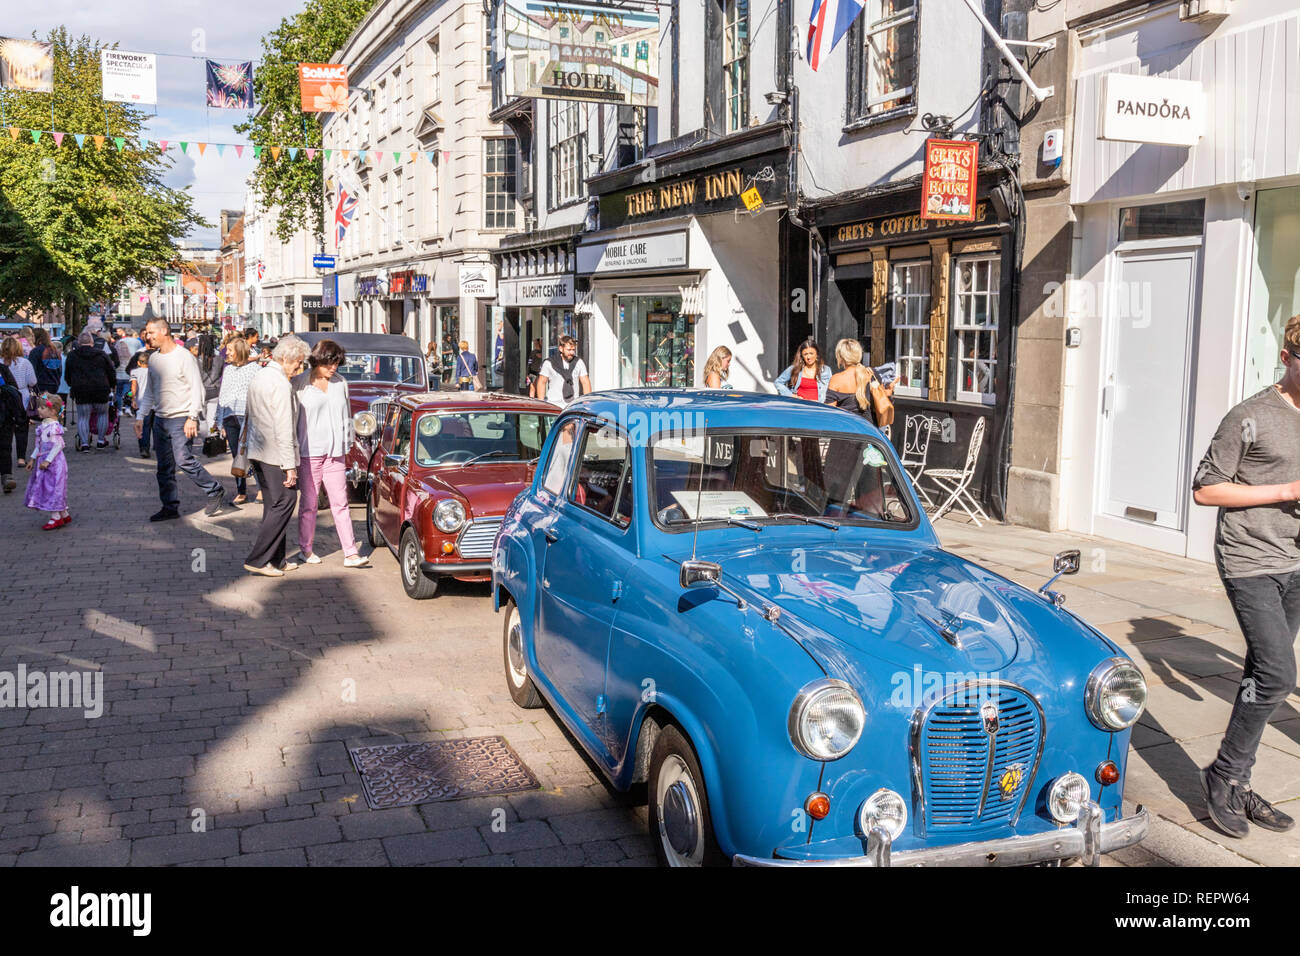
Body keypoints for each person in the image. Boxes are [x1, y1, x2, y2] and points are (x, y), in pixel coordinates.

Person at [1191, 313, 1300, 839]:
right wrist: (1284, 491)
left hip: (1296, 561)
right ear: (1286, 358)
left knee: (1262, 674)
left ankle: (1238, 781)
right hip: (1250, 559)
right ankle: (1224, 776)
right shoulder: (1250, 415)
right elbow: (1206, 489)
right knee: (1279, 674)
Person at [135, 318, 227, 521]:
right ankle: (169, 506)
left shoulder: (184, 357)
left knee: (183, 459)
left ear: (165, 331)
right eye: (147, 333)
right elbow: (150, 390)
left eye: (151, 332)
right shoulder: (154, 359)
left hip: (181, 418)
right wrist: (141, 416)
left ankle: (214, 490)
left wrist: (192, 417)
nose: (147, 336)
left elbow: (197, 388)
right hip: (160, 418)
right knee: (163, 466)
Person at [294, 339, 369, 568]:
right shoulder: (299, 383)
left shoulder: (340, 383)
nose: (333, 368)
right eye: (329, 364)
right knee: (309, 504)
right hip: (309, 451)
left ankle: (350, 553)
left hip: (336, 451)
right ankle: (305, 549)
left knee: (341, 503)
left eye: (336, 364)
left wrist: (348, 444)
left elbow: (346, 413)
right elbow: (294, 418)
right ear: (317, 360)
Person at [243, 335, 309, 576]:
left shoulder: (260, 376)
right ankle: (258, 559)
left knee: (273, 505)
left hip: (259, 449)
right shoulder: (280, 384)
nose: (300, 368)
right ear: (286, 358)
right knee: (286, 501)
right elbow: (283, 427)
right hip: (274, 453)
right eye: (298, 363)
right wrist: (290, 466)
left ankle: (276, 559)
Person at [215, 336, 260, 503]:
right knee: (236, 455)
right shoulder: (228, 370)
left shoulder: (254, 369)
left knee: (252, 453)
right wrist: (218, 419)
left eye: (230, 350)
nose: (227, 353)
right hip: (229, 415)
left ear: (239, 351)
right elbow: (223, 394)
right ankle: (241, 491)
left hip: (247, 416)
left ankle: (261, 488)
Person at [825, 338, 894, 427]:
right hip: (869, 431)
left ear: (840, 357)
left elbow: (830, 412)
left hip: (844, 430)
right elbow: (879, 401)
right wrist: (887, 393)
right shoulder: (872, 374)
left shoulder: (836, 379)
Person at [24, 393, 69, 530]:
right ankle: (64, 513)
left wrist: (48, 461)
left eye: (42, 408)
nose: (38, 410)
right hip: (44, 460)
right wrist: (32, 458)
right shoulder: (44, 426)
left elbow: (59, 445)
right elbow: (39, 445)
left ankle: (55, 516)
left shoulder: (53, 427)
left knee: (53, 488)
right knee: (48, 487)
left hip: (54, 464)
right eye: (39, 407)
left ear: (52, 411)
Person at [65, 332, 116, 451]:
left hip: (81, 389)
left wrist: (71, 384)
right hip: (101, 388)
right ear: (92, 342)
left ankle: (84, 444)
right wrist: (112, 385)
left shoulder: (72, 355)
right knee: (103, 414)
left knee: (83, 417)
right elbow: (111, 371)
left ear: (78, 343)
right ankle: (100, 441)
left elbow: (67, 373)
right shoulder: (102, 354)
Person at [0, 337, 37, 466]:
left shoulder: (0, 363)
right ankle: (21, 458)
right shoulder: (25, 363)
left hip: (3, 398)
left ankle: (6, 457)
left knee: (5, 428)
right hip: (22, 397)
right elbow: (33, 381)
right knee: (22, 428)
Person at [536, 335, 591, 407]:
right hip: (554, 404)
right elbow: (542, 382)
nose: (572, 353)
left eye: (573, 350)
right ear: (561, 349)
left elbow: (585, 382)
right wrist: (541, 403)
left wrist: (587, 402)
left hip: (573, 405)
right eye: (569, 350)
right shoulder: (549, 363)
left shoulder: (579, 362)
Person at [775, 338, 831, 402]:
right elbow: (778, 382)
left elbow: (831, 391)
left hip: (818, 407)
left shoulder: (826, 370)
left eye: (811, 353)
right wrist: (792, 396)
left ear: (817, 354)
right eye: (805, 354)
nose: (808, 357)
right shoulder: (795, 368)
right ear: (802, 356)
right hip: (799, 406)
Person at [0, 361, 25, 493]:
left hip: (5, 416)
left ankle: (7, 476)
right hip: (5, 415)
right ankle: (6, 476)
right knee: (5, 447)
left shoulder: (3, 368)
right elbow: (13, 389)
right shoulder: (2, 369)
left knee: (5, 446)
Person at [194, 334, 224, 435]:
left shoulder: (196, 361)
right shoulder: (219, 359)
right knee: (212, 420)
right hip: (215, 391)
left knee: (202, 420)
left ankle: (204, 440)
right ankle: (212, 437)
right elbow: (220, 374)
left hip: (201, 393)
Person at [130, 349, 154, 458]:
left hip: (141, 402)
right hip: (154, 403)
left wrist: (133, 399)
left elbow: (134, 387)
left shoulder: (135, 372)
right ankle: (157, 446)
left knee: (143, 426)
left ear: (139, 363)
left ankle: (144, 448)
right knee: (155, 426)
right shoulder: (153, 371)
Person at [113, 327, 142, 411]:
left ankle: (119, 409)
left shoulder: (119, 342)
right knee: (129, 390)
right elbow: (140, 354)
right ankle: (127, 407)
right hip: (131, 369)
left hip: (119, 370)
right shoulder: (137, 342)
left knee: (118, 392)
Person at [28, 328, 62, 397]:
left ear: (38, 337)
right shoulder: (54, 351)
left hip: (41, 386)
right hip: (54, 385)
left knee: (42, 406)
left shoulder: (35, 351)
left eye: (33, 336)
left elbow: (32, 370)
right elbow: (59, 369)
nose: (31, 338)